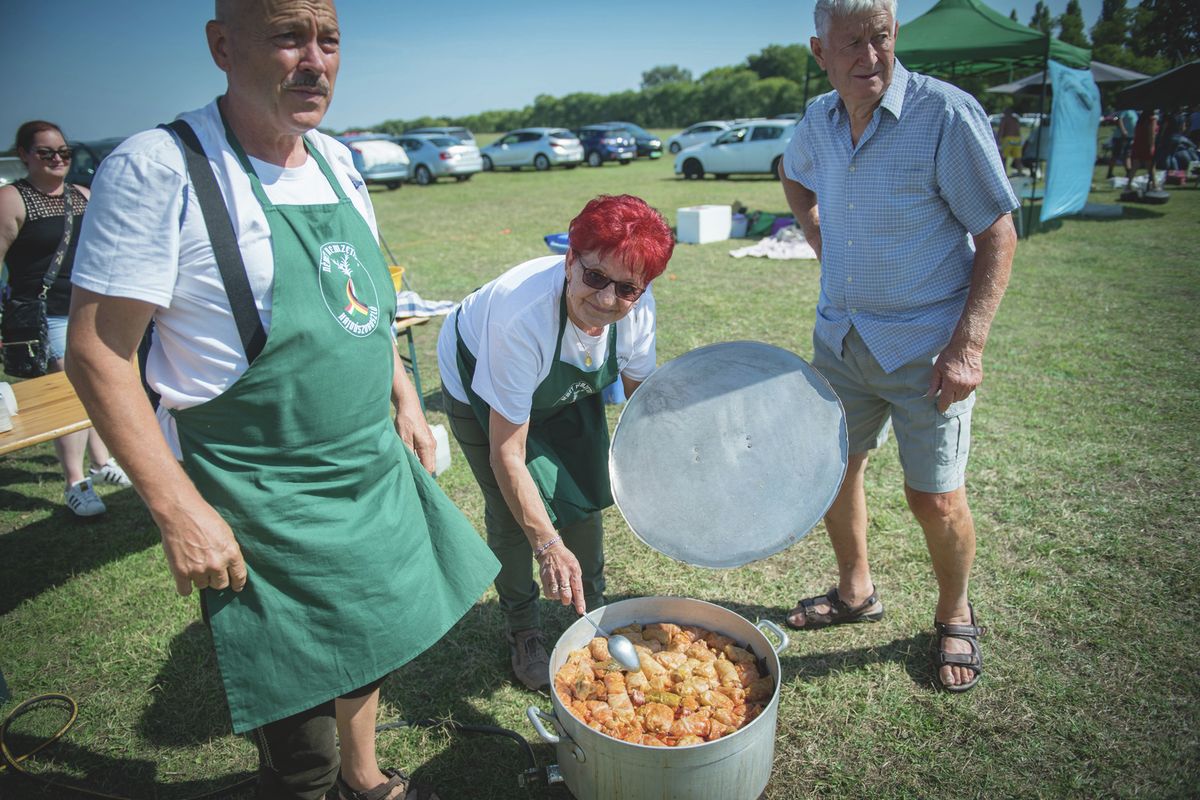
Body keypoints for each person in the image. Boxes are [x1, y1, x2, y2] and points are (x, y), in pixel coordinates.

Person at [65, 2, 499, 798]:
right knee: (299, 743)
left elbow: (360, 308)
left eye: (328, 39)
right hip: (259, 491)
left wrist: (403, 393)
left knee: (369, 636)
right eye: (290, 36)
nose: (315, 61)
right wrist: (178, 509)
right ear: (222, 45)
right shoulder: (161, 168)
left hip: (366, 468)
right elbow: (96, 351)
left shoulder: (337, 161)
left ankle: (365, 778)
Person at [778, 0, 1018, 693]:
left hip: (925, 347)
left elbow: (997, 234)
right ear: (820, 53)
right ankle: (856, 592)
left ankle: (955, 614)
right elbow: (792, 173)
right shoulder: (818, 122)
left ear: (895, 37)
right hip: (842, 338)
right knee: (834, 471)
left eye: (880, 38)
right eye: (851, 43)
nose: (870, 57)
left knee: (933, 497)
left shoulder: (943, 115)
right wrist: (818, 236)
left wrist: (967, 347)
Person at [437, 194, 673, 691]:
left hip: (563, 388)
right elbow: (508, 454)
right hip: (482, 378)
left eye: (627, 288)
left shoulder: (636, 311)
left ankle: (592, 607)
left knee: (582, 491)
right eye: (595, 278)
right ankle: (522, 627)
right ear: (570, 259)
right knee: (510, 511)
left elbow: (643, 407)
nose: (608, 301)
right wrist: (547, 544)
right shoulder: (521, 319)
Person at [0, 120, 130, 517]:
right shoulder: (12, 199)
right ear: (24, 155)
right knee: (72, 392)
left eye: (64, 152)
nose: (58, 159)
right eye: (46, 152)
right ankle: (76, 483)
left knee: (93, 385)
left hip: (86, 309)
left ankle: (101, 461)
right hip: (43, 314)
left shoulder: (83, 195)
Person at [1129, 108, 1159, 191]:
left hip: (1138, 144)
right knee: (1151, 166)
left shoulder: (1140, 121)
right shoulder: (1152, 120)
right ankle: (1155, 185)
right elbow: (1152, 133)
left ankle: (1129, 183)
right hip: (1146, 144)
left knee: (1135, 166)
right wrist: (1152, 145)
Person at [1106, 108, 1138, 180]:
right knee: (1116, 154)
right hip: (1121, 136)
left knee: (1127, 154)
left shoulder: (1133, 111)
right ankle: (1110, 172)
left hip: (1130, 136)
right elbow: (1117, 118)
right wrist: (1123, 130)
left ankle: (1128, 172)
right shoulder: (1123, 110)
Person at [997, 109, 1022, 175]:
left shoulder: (1004, 119)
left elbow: (1001, 130)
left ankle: (1004, 174)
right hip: (1017, 139)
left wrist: (998, 139)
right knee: (1017, 158)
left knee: (1004, 158)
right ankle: (1020, 172)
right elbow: (1018, 130)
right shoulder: (1015, 119)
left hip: (1007, 139)